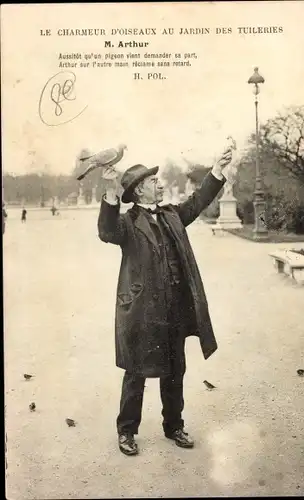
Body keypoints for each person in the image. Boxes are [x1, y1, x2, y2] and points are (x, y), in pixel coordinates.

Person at [97, 147, 232, 456]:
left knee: (175, 368)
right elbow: (106, 231)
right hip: (142, 312)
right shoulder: (127, 223)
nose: (159, 184)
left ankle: (174, 425)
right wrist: (109, 192)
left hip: (174, 308)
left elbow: (197, 202)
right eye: (154, 181)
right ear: (139, 189)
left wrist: (216, 169)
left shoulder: (172, 214)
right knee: (136, 372)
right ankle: (127, 431)